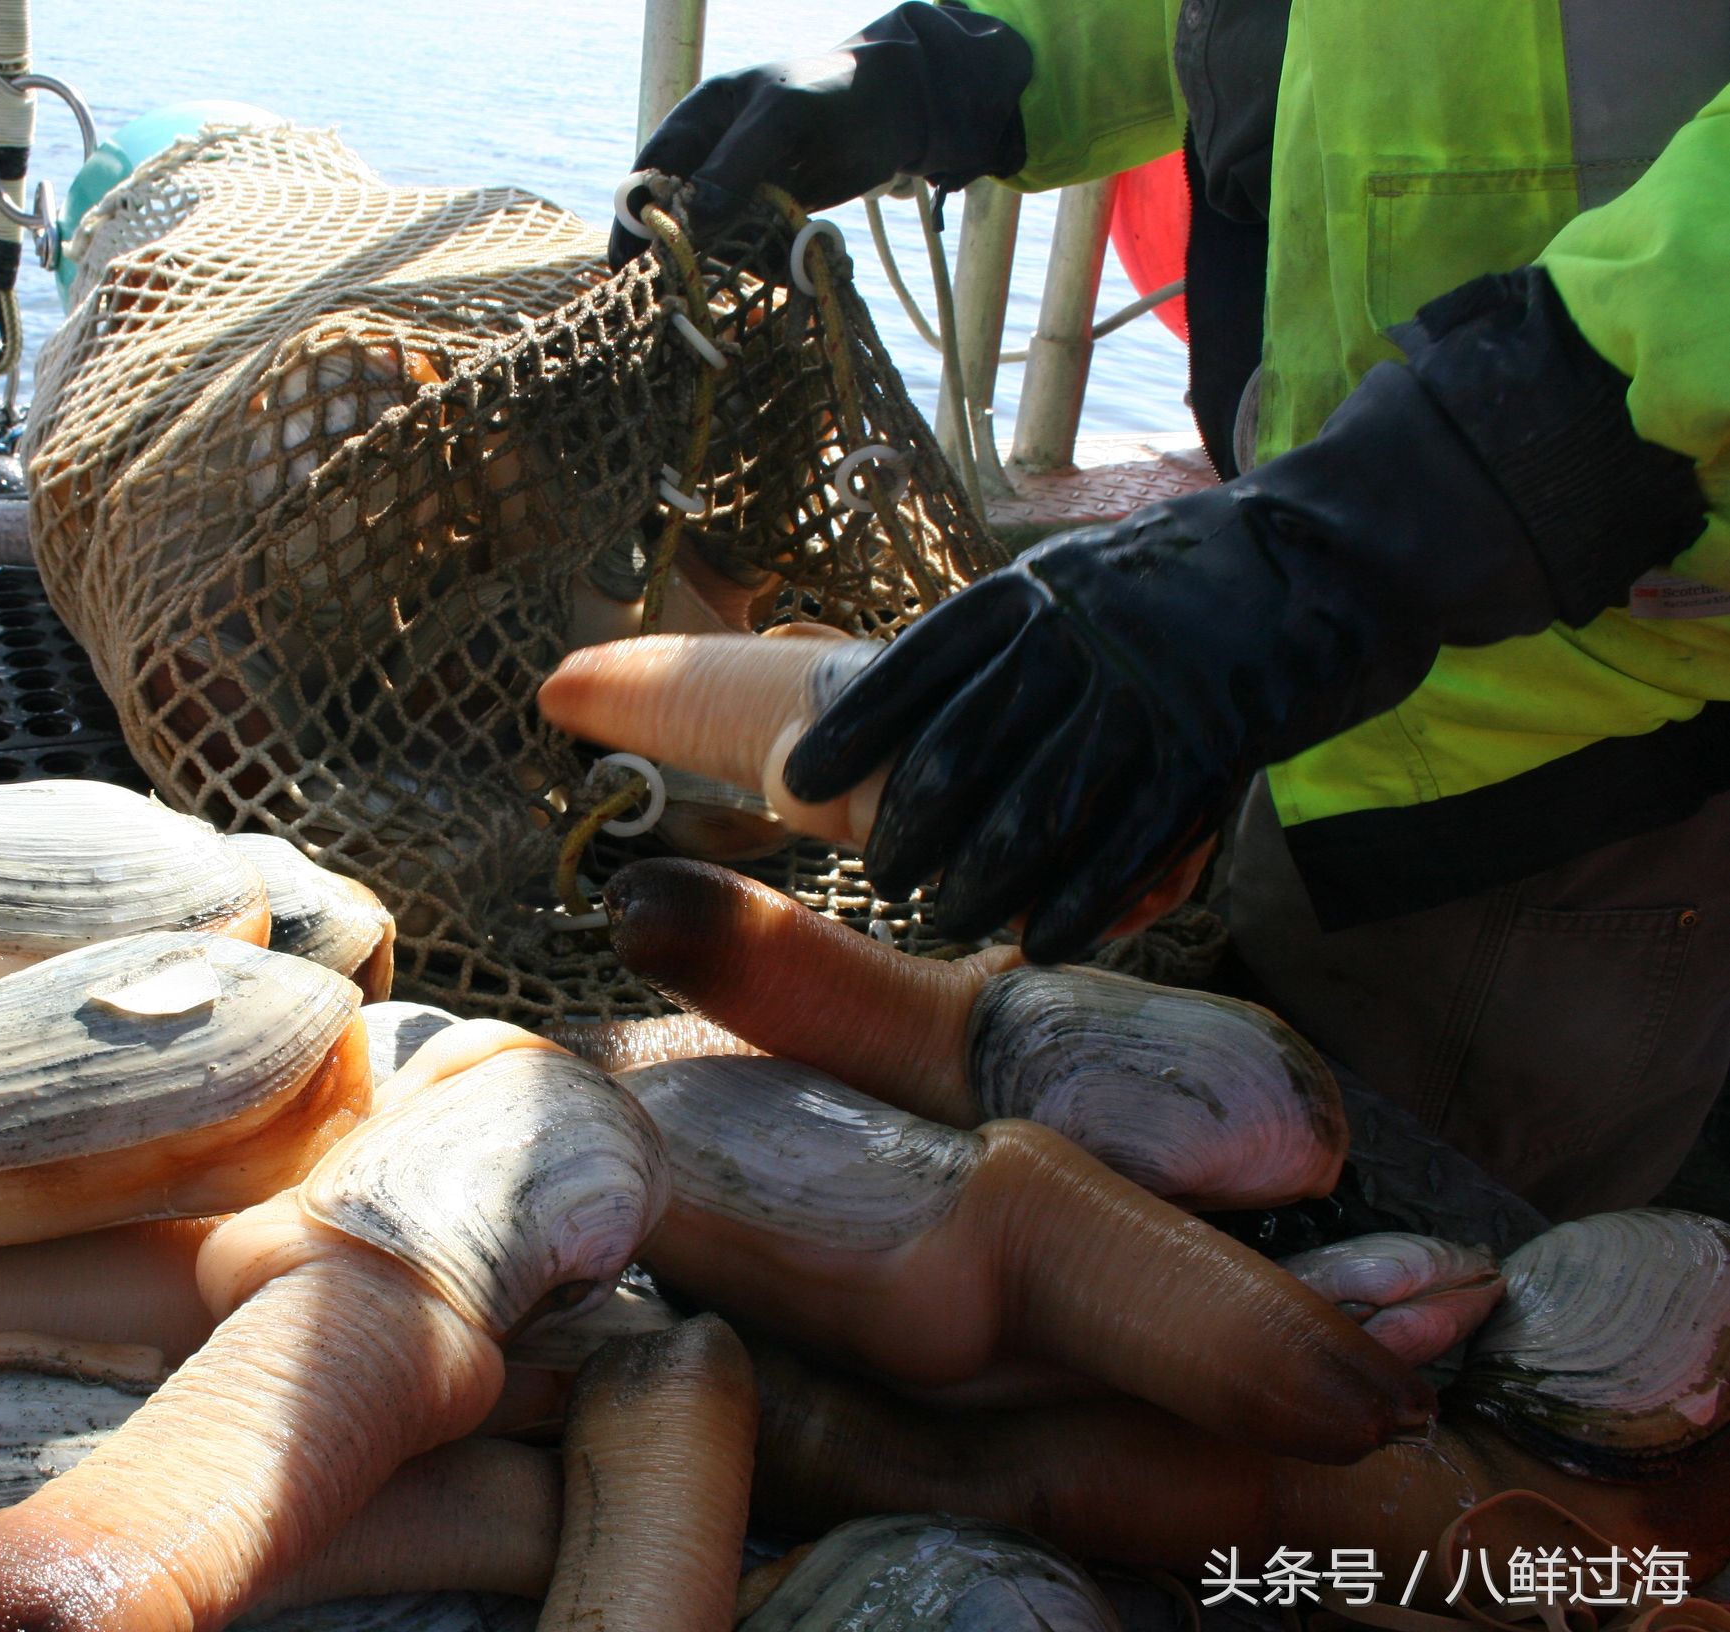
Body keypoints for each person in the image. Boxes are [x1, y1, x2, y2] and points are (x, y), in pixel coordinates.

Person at [616, 2, 1730, 1219]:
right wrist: (975, 64)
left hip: (1592, 734)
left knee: (1441, 1293)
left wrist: (1451, 482)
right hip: (1293, 662)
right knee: (1247, 1172)